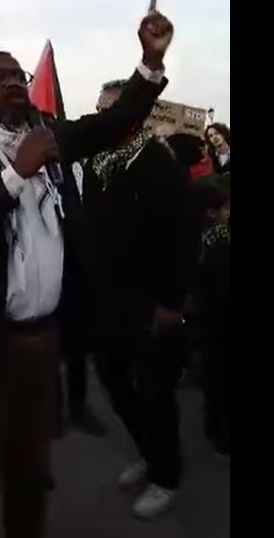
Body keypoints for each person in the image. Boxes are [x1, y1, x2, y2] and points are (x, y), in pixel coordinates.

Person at [0, 12, 173, 538]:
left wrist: (150, 62)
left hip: (44, 341)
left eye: (19, 76)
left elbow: (113, 122)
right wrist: (16, 175)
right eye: (1, 77)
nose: (15, 84)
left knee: (31, 474)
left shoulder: (49, 137)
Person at [83, 85, 194, 521]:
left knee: (154, 390)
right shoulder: (97, 163)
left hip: (152, 300)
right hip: (108, 299)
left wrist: (172, 301)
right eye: (97, 112)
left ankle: (167, 475)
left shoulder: (156, 163)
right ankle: (149, 453)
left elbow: (182, 237)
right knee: (113, 378)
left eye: (106, 112)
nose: (98, 119)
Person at [197, 174, 230, 457]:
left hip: (208, 320)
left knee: (214, 376)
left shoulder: (200, 238)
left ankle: (213, 428)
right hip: (219, 319)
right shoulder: (219, 242)